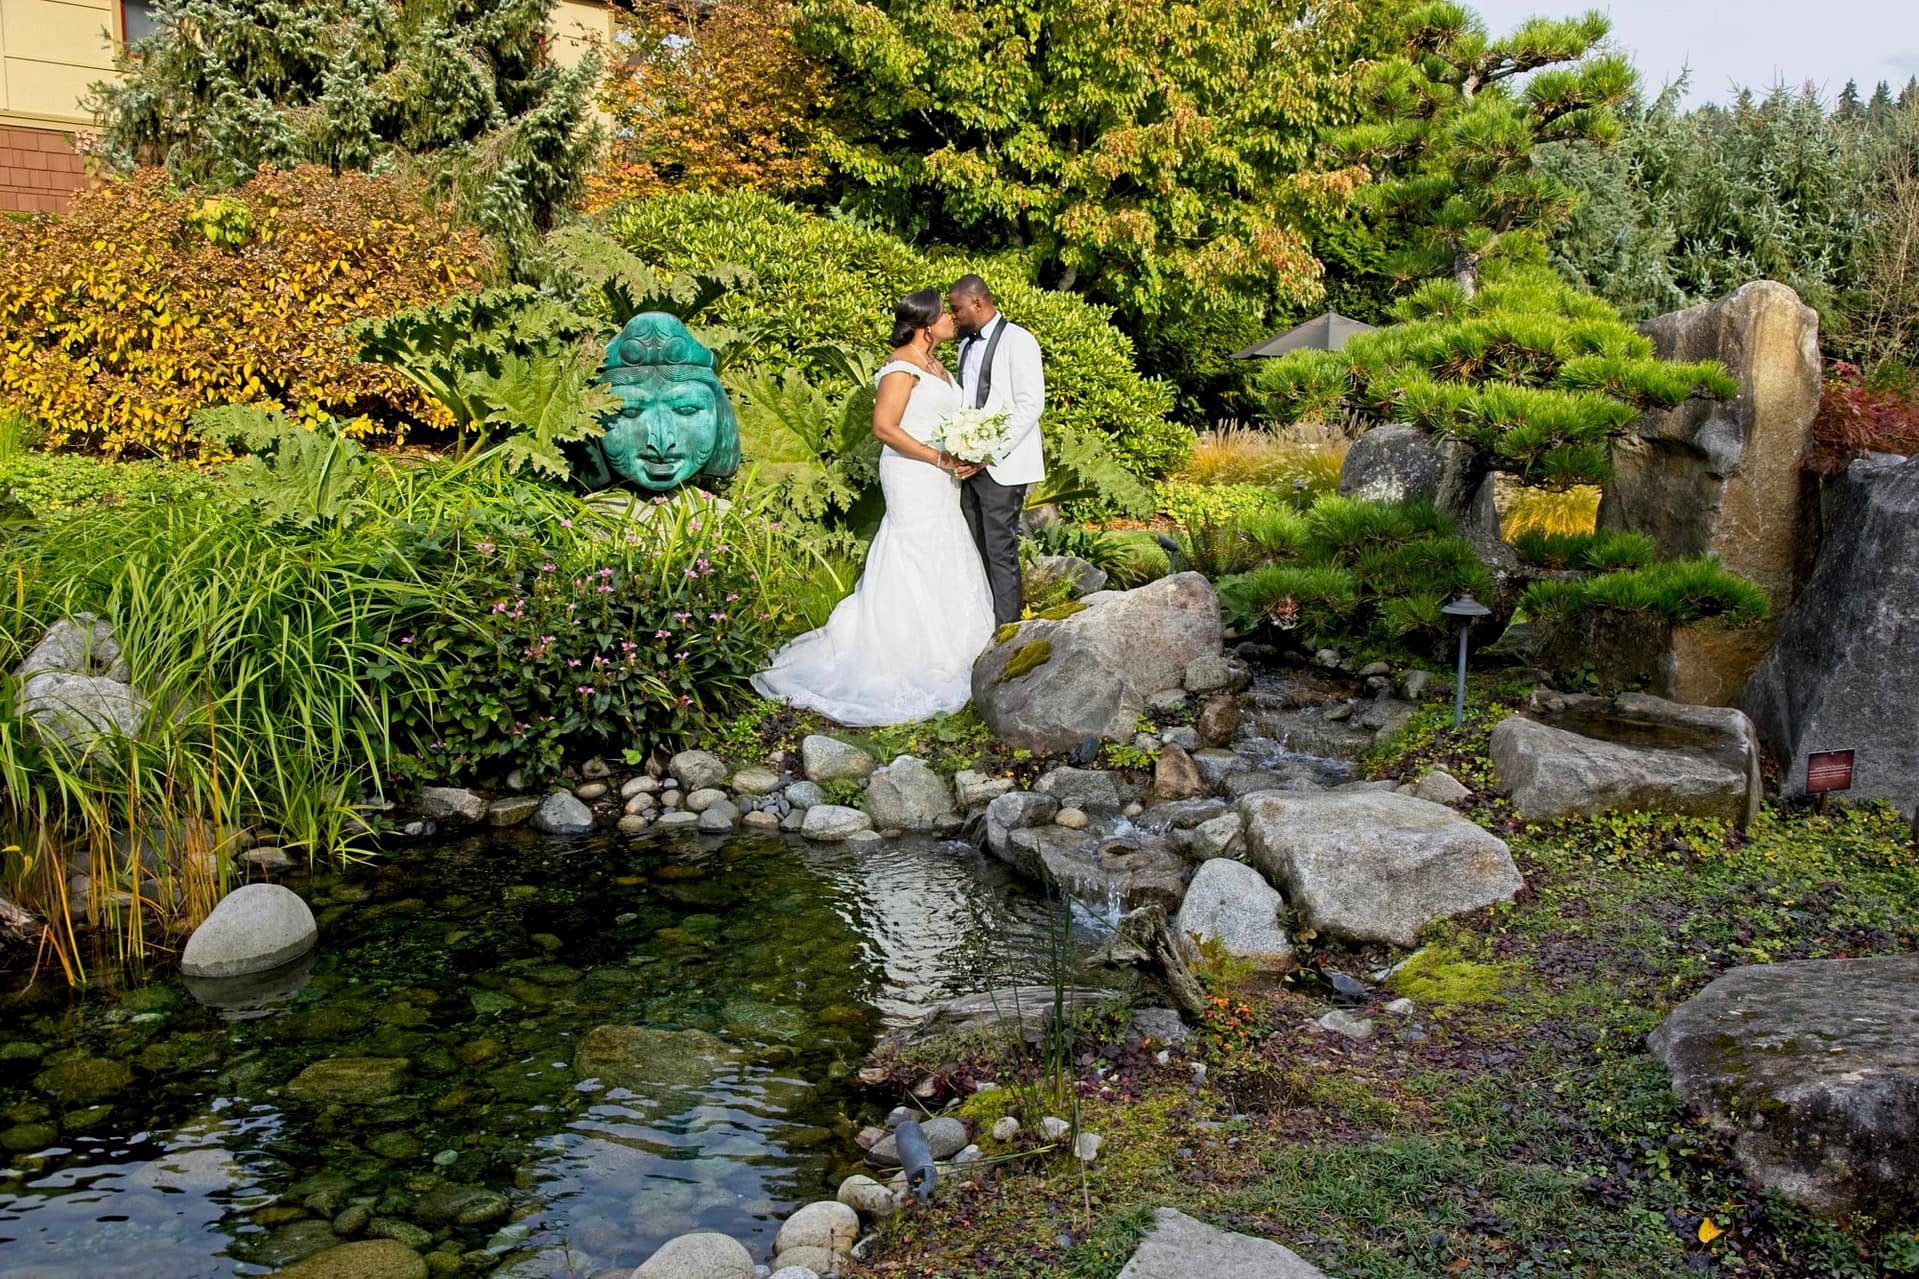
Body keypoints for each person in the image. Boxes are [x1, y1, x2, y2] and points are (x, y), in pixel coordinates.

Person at [751, 290, 996, 725]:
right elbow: (884, 427)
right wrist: (937, 456)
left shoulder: (937, 364)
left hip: (940, 475)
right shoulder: (901, 366)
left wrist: (963, 445)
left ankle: (953, 644)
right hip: (912, 472)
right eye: (945, 317)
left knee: (943, 545)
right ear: (926, 326)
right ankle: (906, 648)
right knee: (913, 548)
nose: (951, 322)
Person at [948, 274, 1045, 626]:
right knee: (974, 550)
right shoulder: (963, 346)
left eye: (956, 309)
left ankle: (1007, 632)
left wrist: (988, 452)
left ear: (978, 303)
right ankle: (980, 627)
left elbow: (1030, 405)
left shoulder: (1020, 341)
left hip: (1004, 466)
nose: (953, 316)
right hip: (967, 465)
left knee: (1000, 551)